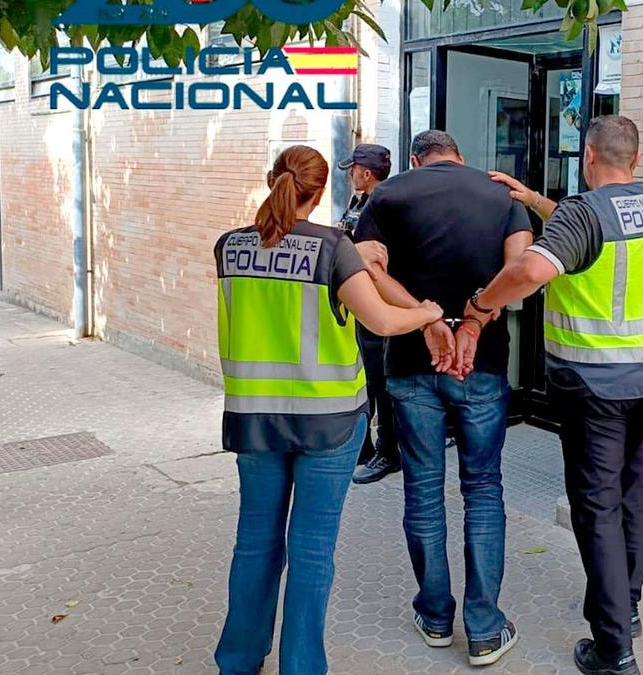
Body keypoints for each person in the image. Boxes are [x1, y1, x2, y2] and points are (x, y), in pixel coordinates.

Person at [213, 145, 442, 675]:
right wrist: (428, 311)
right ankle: (301, 668)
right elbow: (382, 321)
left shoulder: (228, 247)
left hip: (254, 421)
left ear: (275, 181)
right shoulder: (333, 249)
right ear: (317, 195)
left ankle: (238, 662)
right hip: (329, 423)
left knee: (255, 544)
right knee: (311, 552)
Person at [467, 116, 643, 675]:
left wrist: (482, 305)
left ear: (587, 156)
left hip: (595, 387)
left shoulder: (586, 214)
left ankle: (613, 652)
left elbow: (533, 267)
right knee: (634, 501)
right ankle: (625, 608)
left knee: (597, 509)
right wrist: (535, 200)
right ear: (636, 157)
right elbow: (590, 233)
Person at [353, 129, 533, 666]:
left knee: (424, 488)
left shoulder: (388, 195)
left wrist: (428, 319)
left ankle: (434, 617)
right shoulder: (499, 194)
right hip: (481, 365)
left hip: (411, 364)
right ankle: (483, 629)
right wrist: (473, 321)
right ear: (460, 155)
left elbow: (368, 268)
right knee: (482, 488)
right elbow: (520, 271)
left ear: (415, 159)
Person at [335, 143, 403, 485]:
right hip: (359, 302)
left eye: (352, 169)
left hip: (377, 302)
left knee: (380, 381)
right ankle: (363, 448)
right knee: (365, 378)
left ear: (365, 172)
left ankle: (389, 452)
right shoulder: (360, 201)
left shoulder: (383, 205)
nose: (349, 175)